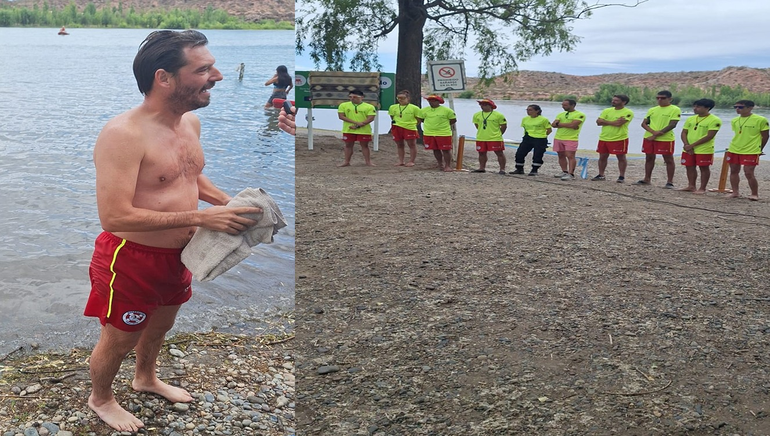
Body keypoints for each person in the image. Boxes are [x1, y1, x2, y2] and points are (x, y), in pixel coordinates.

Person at [84, 30, 262, 432]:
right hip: (129, 259)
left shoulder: (190, 123)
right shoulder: (123, 134)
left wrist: (229, 204)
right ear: (164, 78)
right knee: (121, 337)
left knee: (162, 324)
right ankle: (102, 398)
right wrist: (200, 219)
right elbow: (114, 218)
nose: (216, 75)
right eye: (203, 69)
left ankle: (145, 378)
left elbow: (187, 177)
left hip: (180, 256)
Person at [636, 90, 681, 188]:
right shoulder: (652, 109)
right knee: (649, 158)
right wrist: (653, 132)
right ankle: (647, 179)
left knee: (668, 159)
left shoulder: (675, 109)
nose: (660, 100)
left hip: (665, 138)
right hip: (649, 137)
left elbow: (672, 124)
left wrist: (657, 134)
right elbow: (644, 123)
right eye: (658, 98)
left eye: (663, 98)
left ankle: (670, 181)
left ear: (670, 99)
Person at [726, 100, 769, 200]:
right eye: (735, 107)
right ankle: (735, 192)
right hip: (734, 148)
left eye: (741, 107)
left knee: (748, 172)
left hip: (751, 150)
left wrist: (760, 149)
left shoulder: (760, 120)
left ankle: (754, 194)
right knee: (734, 171)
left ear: (750, 108)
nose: (737, 109)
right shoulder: (734, 120)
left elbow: (765, 136)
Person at [678, 98, 721, 194]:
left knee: (703, 167)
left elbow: (710, 136)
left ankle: (702, 188)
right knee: (689, 166)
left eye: (698, 107)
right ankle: (691, 185)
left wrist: (692, 145)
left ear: (707, 108)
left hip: (704, 149)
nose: (695, 108)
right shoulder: (691, 118)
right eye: (694, 106)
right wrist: (686, 145)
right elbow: (684, 132)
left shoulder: (714, 120)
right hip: (688, 148)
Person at [592, 94, 634, 182]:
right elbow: (598, 122)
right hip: (604, 137)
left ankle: (621, 176)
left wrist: (605, 121)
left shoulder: (628, 112)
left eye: (616, 100)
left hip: (619, 138)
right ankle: (601, 174)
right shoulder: (606, 110)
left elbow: (619, 124)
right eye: (613, 100)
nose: (613, 101)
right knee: (602, 156)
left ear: (623, 102)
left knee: (621, 157)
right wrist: (612, 122)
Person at [416, 94, 456, 172]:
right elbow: (421, 119)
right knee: (435, 149)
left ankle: (447, 165)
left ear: (438, 102)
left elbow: (453, 120)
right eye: (429, 100)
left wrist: (442, 125)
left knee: (446, 150)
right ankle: (440, 164)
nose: (431, 102)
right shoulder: (424, 110)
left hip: (443, 133)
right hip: (429, 133)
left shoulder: (447, 110)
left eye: (433, 100)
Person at [338, 89, 377, 166]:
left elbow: (371, 117)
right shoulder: (343, 105)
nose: (352, 98)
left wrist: (360, 124)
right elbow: (341, 116)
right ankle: (346, 162)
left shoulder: (369, 106)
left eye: (354, 97)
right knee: (348, 145)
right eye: (350, 97)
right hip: (349, 129)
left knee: (365, 145)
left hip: (364, 130)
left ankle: (368, 162)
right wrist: (355, 123)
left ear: (361, 97)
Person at [511, 104, 551, 175]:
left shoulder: (543, 119)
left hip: (540, 138)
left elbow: (549, 130)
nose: (528, 112)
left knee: (537, 154)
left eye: (530, 110)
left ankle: (534, 170)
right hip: (528, 137)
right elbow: (525, 128)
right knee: (520, 153)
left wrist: (542, 136)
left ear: (537, 111)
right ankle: (519, 169)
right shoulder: (525, 119)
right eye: (527, 110)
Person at [551, 99, 586, 180]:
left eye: (565, 105)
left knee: (570, 156)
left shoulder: (580, 114)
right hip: (558, 137)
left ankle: (571, 174)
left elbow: (573, 125)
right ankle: (564, 171)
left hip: (571, 138)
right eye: (562, 105)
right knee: (560, 155)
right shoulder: (561, 114)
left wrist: (559, 124)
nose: (563, 107)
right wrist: (567, 125)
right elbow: (553, 124)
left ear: (573, 105)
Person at [471, 98, 507, 174]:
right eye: (481, 104)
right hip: (481, 137)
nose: (482, 106)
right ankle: (482, 168)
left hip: (495, 138)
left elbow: (504, 126)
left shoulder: (498, 115)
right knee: (481, 153)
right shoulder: (477, 115)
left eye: (484, 105)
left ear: (490, 106)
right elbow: (477, 125)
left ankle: (502, 169)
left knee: (499, 153)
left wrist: (498, 134)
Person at [387, 90, 421, 166]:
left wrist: (412, 124)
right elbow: (392, 116)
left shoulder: (414, 108)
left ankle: (411, 161)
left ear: (408, 98)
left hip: (409, 128)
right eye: (398, 98)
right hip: (397, 127)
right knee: (399, 144)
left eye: (402, 98)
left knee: (411, 144)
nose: (400, 100)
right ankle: (401, 161)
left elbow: (419, 119)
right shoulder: (393, 107)